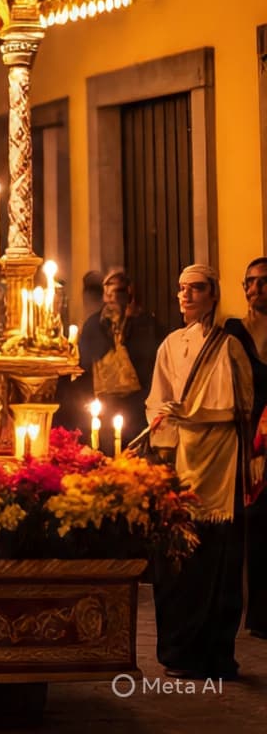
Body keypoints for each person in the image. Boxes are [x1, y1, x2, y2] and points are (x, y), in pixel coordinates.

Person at [145, 264, 253, 680]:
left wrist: (195, 413)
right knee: (181, 559)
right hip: (183, 460)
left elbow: (243, 410)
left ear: (214, 294)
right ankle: (179, 650)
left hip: (222, 466)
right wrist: (164, 430)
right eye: (181, 289)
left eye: (196, 289)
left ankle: (215, 654)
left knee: (218, 559)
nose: (186, 296)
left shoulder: (230, 347)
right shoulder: (170, 345)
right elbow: (158, 400)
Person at [227, 256, 267, 637]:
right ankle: (258, 614)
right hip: (248, 434)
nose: (255, 288)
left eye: (263, 282)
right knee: (255, 522)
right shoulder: (234, 331)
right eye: (249, 282)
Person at [77, 268, 161, 440]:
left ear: (129, 293)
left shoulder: (146, 324)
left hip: (136, 404)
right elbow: (85, 361)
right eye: (108, 292)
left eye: (118, 292)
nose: (112, 298)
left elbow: (152, 362)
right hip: (103, 403)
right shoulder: (94, 324)